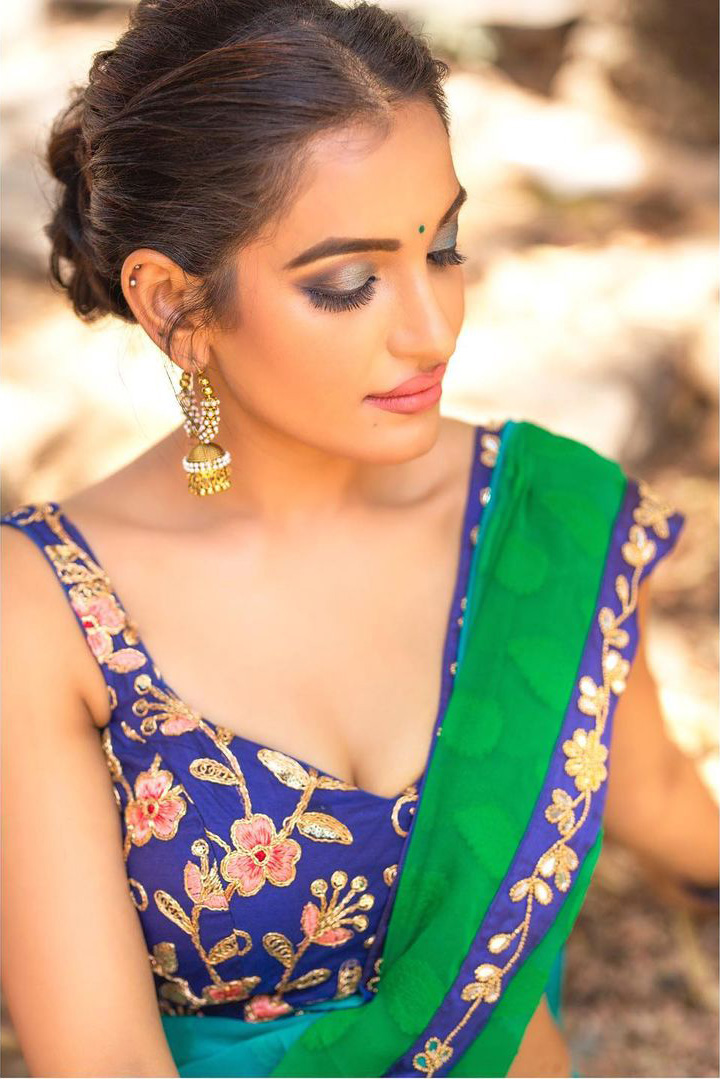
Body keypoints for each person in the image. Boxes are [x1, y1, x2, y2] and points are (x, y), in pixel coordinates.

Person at [1, 1, 717, 1077]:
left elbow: (650, 792)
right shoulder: (44, 610)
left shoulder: (540, 521)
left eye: (444, 248)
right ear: (175, 305)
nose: (434, 329)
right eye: (348, 283)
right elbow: (102, 1060)